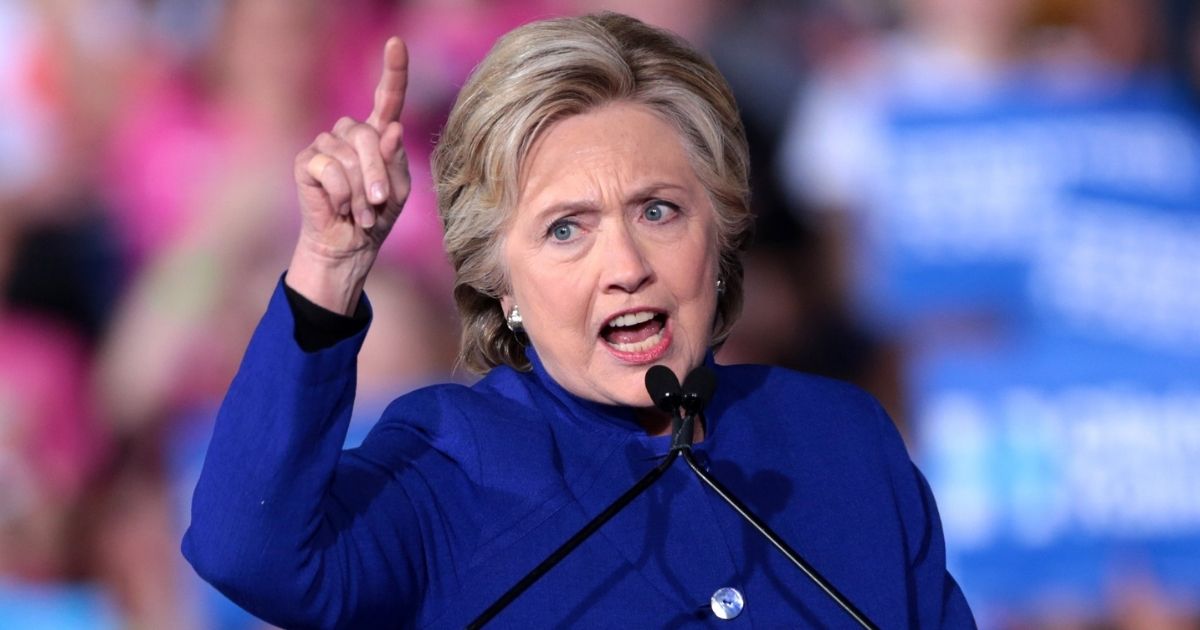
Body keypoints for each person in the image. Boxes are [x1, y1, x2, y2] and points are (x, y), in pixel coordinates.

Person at [183, 12, 975, 627]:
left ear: (721, 231)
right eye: (567, 228)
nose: (625, 265)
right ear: (501, 285)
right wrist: (332, 264)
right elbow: (248, 551)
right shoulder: (446, 467)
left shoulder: (841, 440)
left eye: (658, 211)